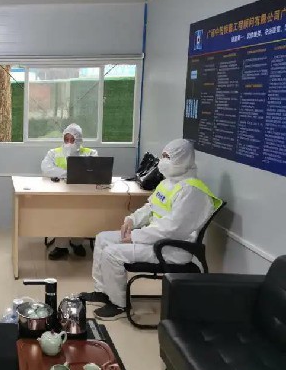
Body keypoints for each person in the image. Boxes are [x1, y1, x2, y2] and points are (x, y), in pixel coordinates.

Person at [82, 139, 222, 320]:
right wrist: (132, 220)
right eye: (163, 155)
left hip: (172, 248)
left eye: (168, 157)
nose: (163, 161)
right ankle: (103, 292)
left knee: (112, 253)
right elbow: (150, 208)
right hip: (154, 238)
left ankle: (118, 305)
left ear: (183, 160)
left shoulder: (192, 191)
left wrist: (135, 236)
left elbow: (172, 229)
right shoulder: (168, 183)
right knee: (102, 238)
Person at [41, 123, 98, 260]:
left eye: (72, 140)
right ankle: (61, 246)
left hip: (83, 194)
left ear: (79, 140)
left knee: (81, 215)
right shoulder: (54, 153)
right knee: (62, 214)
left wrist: (69, 173)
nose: (69, 143)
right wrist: (70, 173)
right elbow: (46, 169)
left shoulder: (90, 153)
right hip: (60, 193)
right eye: (66, 139)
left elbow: (95, 170)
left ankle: (77, 243)